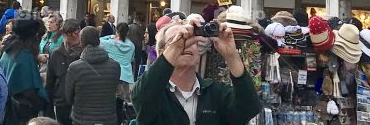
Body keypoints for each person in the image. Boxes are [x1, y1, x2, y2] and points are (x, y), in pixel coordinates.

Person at [132, 20, 262, 125]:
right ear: (161, 52)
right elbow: (141, 99)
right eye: (177, 39)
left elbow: (249, 107)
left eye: (191, 40)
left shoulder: (214, 92)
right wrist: (176, 46)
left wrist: (232, 56)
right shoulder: (155, 92)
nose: (186, 44)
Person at [65, 26, 119, 125]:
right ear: (98, 41)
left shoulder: (75, 68)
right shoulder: (115, 66)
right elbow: (114, 91)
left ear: (81, 42)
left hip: (82, 120)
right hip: (108, 119)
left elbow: (69, 98)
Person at [2, 17, 48, 125]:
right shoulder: (25, 56)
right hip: (21, 111)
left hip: (8, 105)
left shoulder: (9, 49)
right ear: (34, 36)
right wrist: (41, 103)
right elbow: (27, 89)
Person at [46, 20, 81, 125]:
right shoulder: (56, 54)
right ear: (65, 35)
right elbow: (50, 83)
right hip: (61, 103)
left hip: (80, 103)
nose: (77, 36)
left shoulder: (85, 53)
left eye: (78, 32)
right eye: (74, 34)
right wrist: (49, 109)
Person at [100, 22, 137, 98]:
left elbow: (99, 40)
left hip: (112, 72)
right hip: (126, 75)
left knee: (112, 99)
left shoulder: (110, 43)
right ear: (128, 32)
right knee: (125, 98)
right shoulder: (132, 45)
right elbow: (131, 59)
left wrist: (110, 36)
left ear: (116, 31)